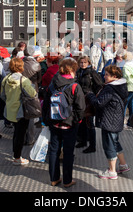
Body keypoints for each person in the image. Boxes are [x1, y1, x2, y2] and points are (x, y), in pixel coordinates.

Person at [42, 58, 86, 188]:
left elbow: (46, 104)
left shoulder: (52, 84)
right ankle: (67, 180)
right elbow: (81, 107)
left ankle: (54, 178)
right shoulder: (74, 86)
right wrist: (77, 120)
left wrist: (46, 120)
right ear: (72, 70)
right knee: (68, 152)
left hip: (54, 123)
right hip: (69, 124)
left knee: (54, 151)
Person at [86, 65, 130, 180]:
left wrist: (90, 95)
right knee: (115, 142)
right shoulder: (122, 86)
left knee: (109, 145)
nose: (104, 76)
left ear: (114, 76)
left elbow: (99, 103)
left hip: (109, 120)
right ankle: (123, 164)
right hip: (117, 119)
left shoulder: (110, 88)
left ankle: (112, 171)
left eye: (107, 75)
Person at [1, 57, 37, 166]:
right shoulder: (24, 80)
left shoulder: (6, 79)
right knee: (20, 134)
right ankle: (17, 157)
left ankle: (15, 153)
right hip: (21, 111)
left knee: (16, 133)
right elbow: (32, 94)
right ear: (21, 67)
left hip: (10, 110)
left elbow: (2, 95)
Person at [75, 56, 104, 153]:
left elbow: (99, 85)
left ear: (88, 63)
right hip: (80, 99)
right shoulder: (78, 72)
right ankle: (83, 141)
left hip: (89, 100)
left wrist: (93, 95)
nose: (83, 64)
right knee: (82, 122)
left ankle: (92, 145)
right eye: (81, 62)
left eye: (85, 62)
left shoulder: (92, 73)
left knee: (89, 123)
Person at [122, 51, 133, 127]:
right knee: (131, 105)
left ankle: (122, 120)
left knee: (124, 104)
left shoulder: (125, 66)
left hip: (128, 87)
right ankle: (131, 121)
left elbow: (126, 77)